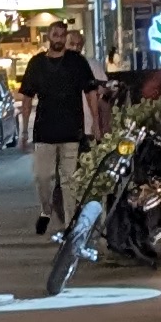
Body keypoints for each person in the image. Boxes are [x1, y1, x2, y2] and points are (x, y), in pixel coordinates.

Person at [19, 17, 104, 235]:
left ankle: (69, 224)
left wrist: (95, 122)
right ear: (48, 37)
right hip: (44, 131)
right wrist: (23, 131)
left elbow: (91, 92)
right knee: (43, 178)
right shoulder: (37, 64)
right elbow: (27, 97)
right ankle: (46, 210)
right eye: (55, 35)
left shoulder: (77, 62)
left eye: (62, 35)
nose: (59, 39)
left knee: (69, 180)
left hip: (71, 130)